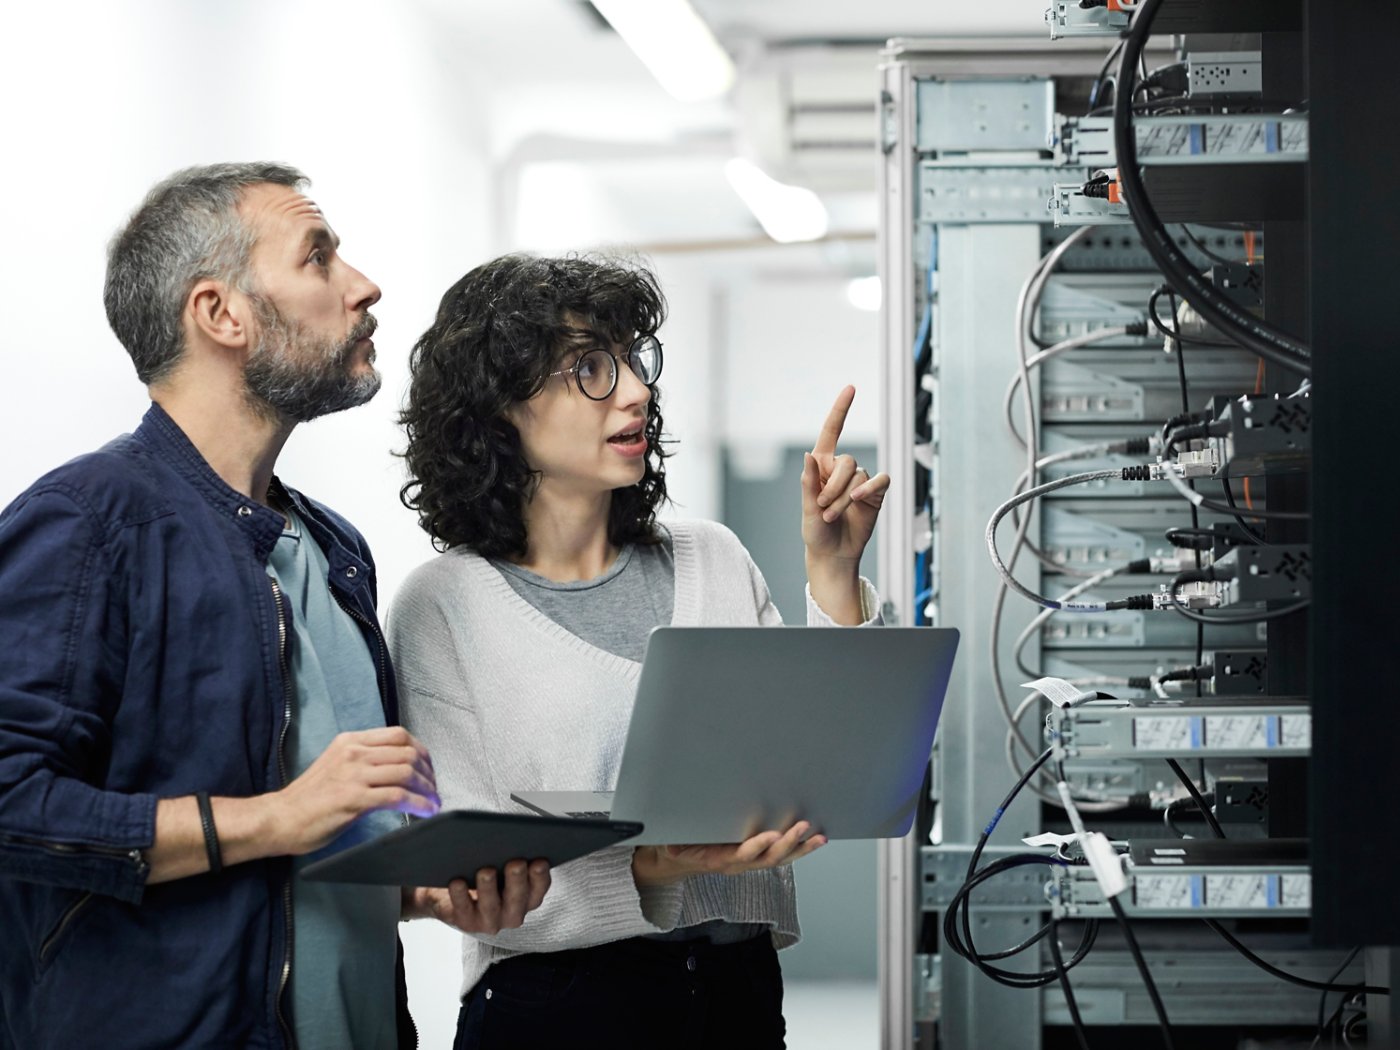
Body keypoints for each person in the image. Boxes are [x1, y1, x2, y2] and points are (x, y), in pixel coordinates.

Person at [0, 163, 549, 1050]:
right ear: (222, 314)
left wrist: (416, 889)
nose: (364, 287)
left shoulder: (336, 551)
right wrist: (273, 817)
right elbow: (12, 803)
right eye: (320, 257)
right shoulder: (88, 524)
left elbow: (296, 871)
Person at [389, 253, 890, 1048]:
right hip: (557, 1008)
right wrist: (650, 873)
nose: (636, 389)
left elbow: (823, 763)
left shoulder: (712, 556)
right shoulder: (443, 605)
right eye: (590, 367)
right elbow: (476, 877)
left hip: (738, 993)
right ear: (497, 412)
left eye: (630, 359)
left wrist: (832, 569)